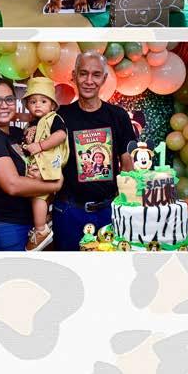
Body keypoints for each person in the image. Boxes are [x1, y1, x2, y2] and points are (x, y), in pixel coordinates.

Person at [52, 51, 136, 251]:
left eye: (96, 75)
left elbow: (128, 164)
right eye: (83, 73)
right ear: (74, 76)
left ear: (104, 78)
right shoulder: (59, 116)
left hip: (108, 211)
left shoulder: (118, 116)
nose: (89, 81)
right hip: (69, 211)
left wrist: (127, 205)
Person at [0, 77, 62, 251]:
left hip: (28, 222)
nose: (4, 105)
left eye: (9, 99)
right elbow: (12, 185)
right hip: (4, 225)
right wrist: (55, 184)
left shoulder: (18, 133)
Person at [20, 77, 68, 250]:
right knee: (37, 194)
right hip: (36, 163)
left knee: (38, 194)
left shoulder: (53, 118)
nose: (37, 105)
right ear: (27, 105)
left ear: (52, 105)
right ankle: (46, 219)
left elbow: (61, 135)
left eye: (43, 101)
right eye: (33, 102)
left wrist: (40, 146)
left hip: (48, 163)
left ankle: (41, 230)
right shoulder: (31, 124)